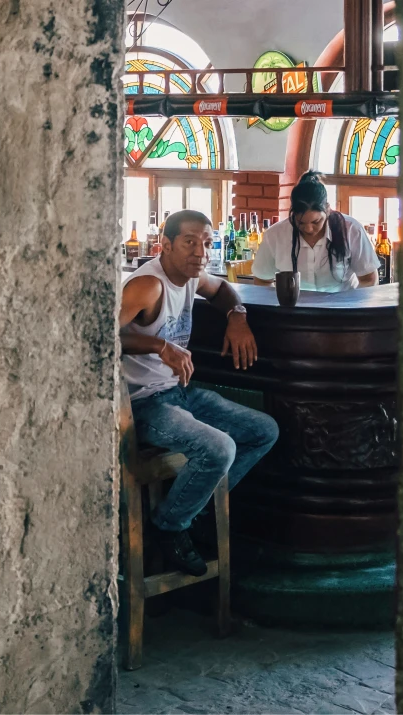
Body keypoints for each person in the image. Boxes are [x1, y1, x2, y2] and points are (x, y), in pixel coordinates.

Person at [120, 209, 279, 576]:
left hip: (180, 394)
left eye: (206, 243)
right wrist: (158, 347)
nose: (200, 252)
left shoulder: (191, 276)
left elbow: (221, 289)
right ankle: (168, 526)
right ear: (166, 245)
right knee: (219, 447)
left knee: (263, 430)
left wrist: (237, 316)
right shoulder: (149, 285)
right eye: (190, 242)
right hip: (144, 404)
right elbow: (102, 334)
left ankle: (195, 511)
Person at [252, 171, 380, 292]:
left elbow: (369, 279)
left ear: (328, 209)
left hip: (342, 310)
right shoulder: (275, 235)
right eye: (300, 222)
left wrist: (353, 310)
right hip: (294, 311)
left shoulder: (351, 230)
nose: (308, 229)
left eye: (316, 222)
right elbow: (262, 281)